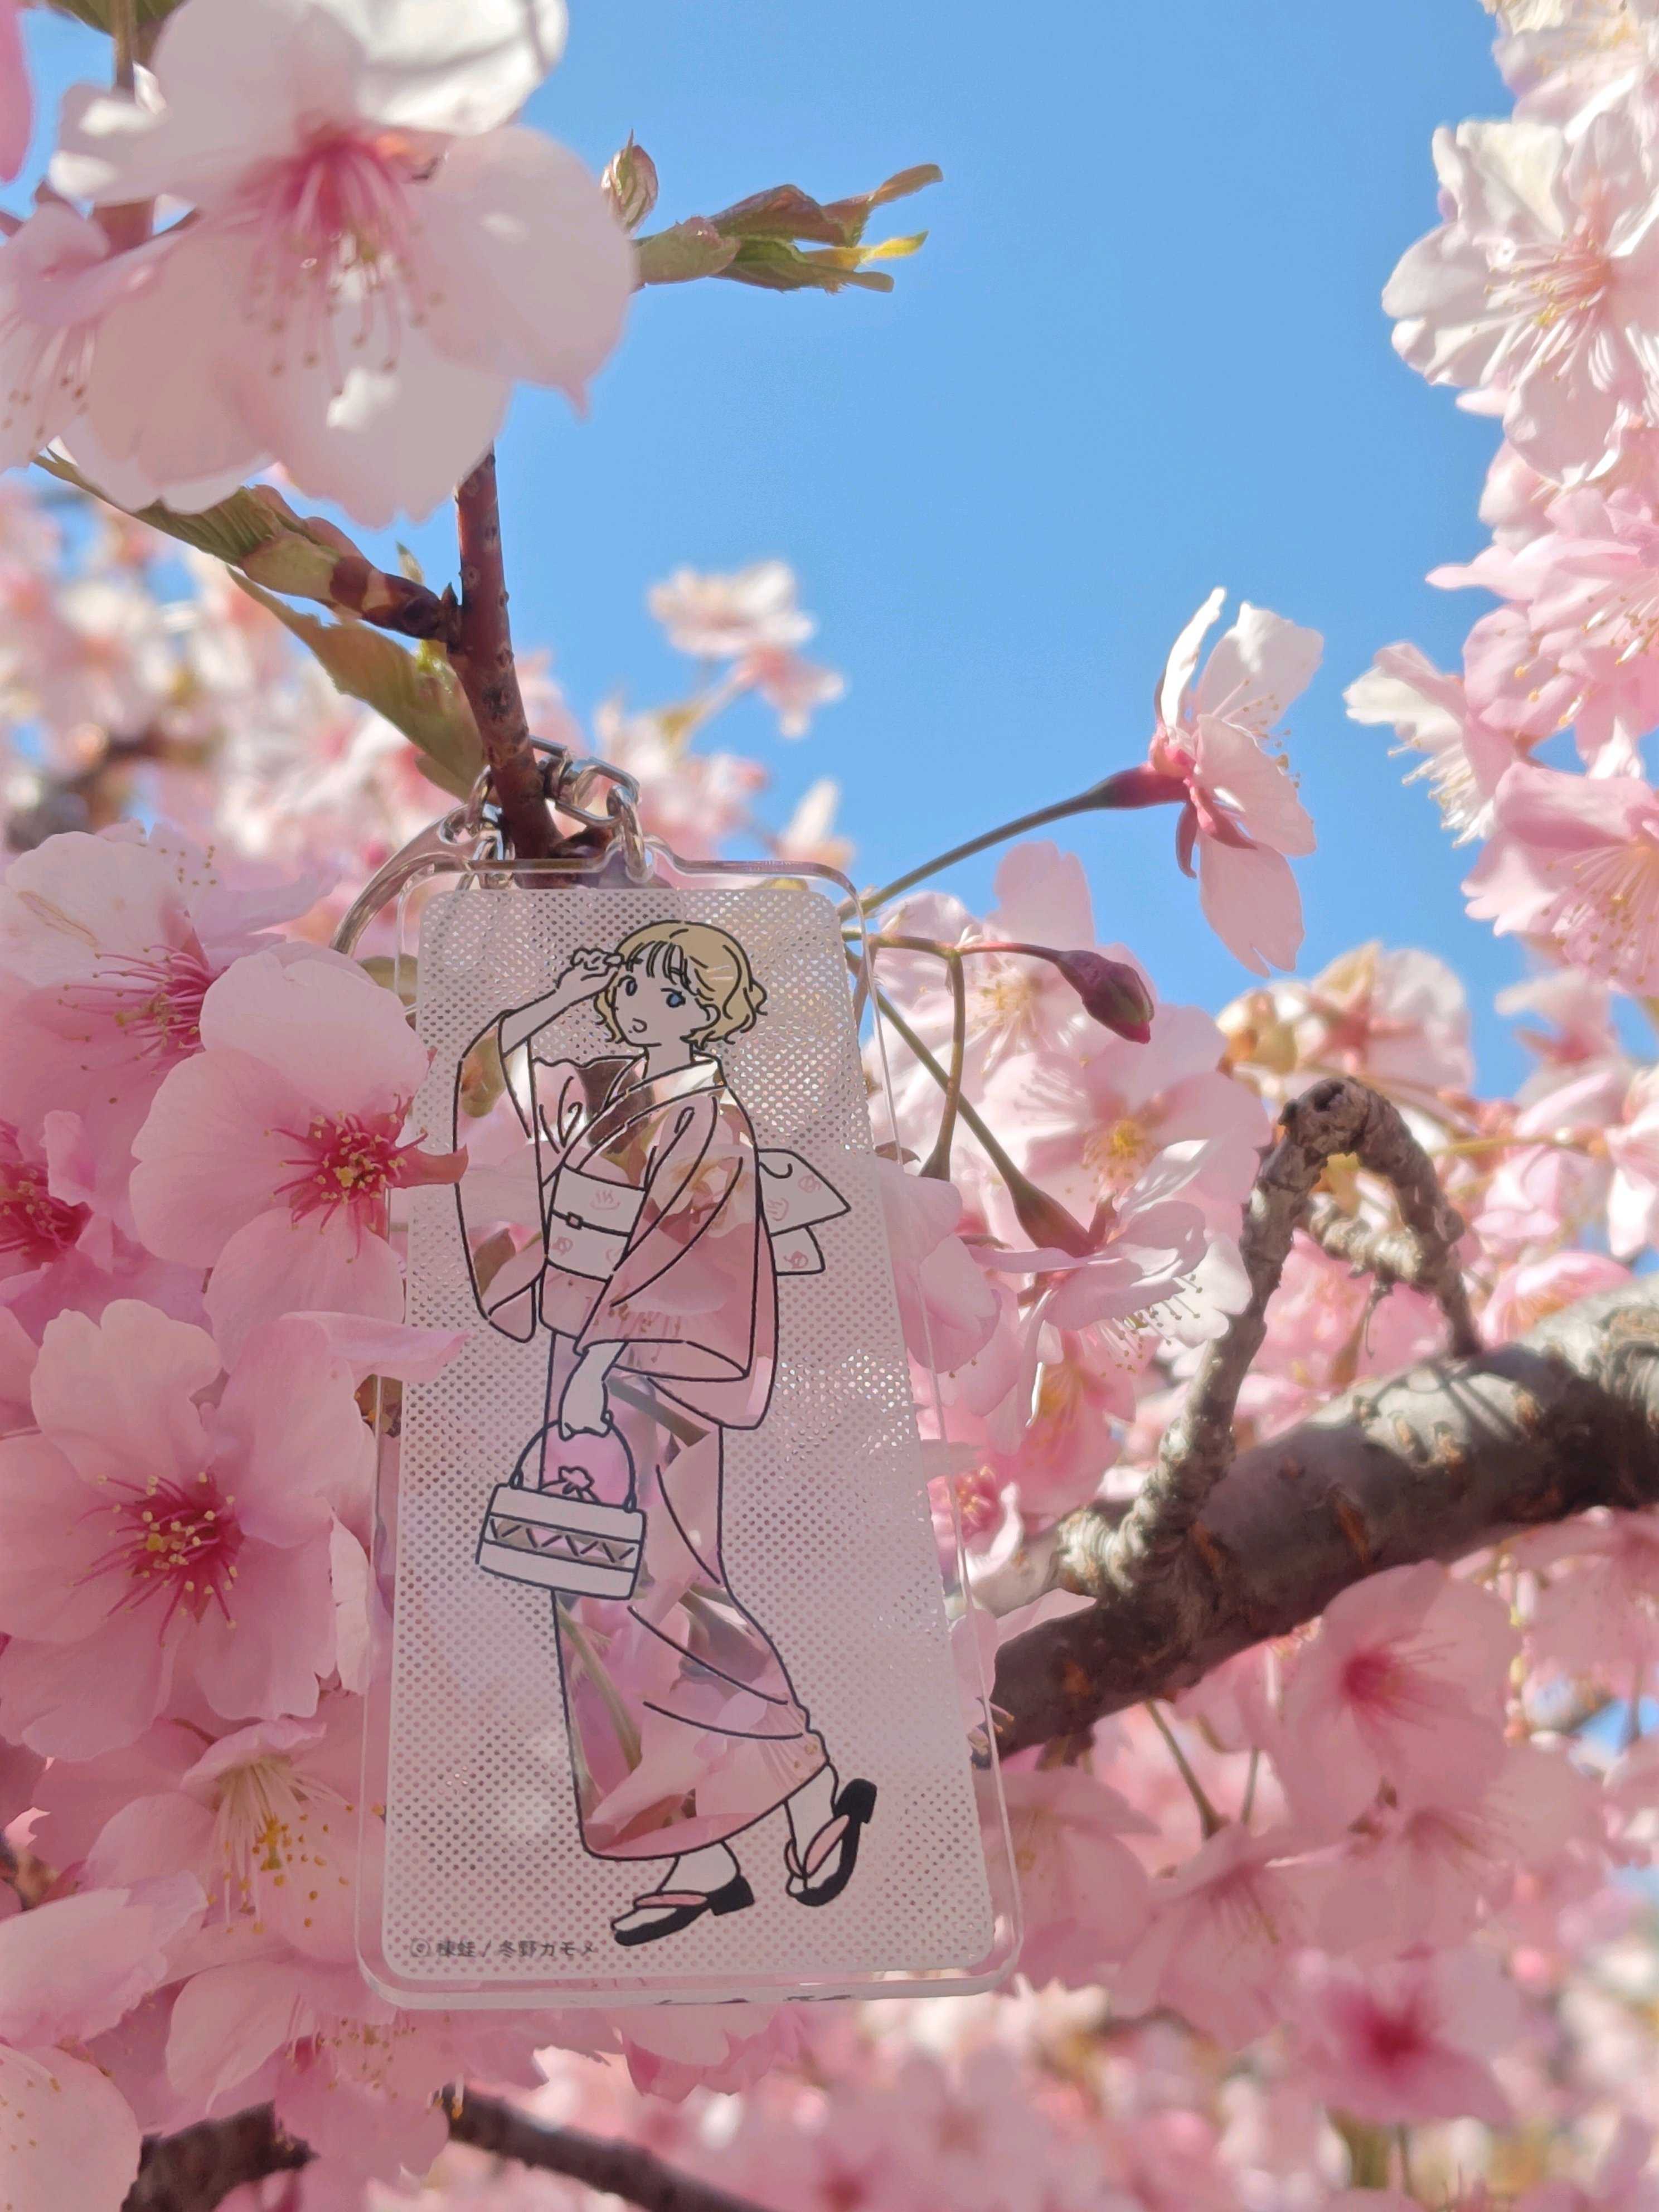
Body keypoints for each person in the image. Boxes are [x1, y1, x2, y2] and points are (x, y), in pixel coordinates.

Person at [458, 919, 873, 1947]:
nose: (642, 1000)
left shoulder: (704, 1116)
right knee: (600, 1600)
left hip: (658, 1367)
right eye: (637, 983)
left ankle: (811, 1799)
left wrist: (596, 1360)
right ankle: (704, 1859)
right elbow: (506, 1071)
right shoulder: (620, 1094)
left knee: (686, 1586)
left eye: (669, 992)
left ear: (710, 1017)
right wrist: (564, 998)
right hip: (591, 1363)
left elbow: (669, 1254)